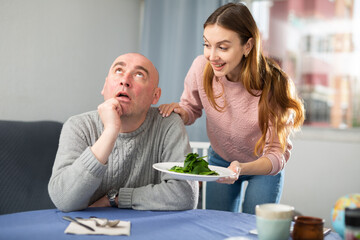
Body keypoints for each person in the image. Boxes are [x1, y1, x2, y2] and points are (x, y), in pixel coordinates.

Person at [158, 3, 304, 214]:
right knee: (218, 223)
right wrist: (182, 111)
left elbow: (275, 154)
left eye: (223, 47)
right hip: (219, 160)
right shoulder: (201, 68)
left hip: (263, 167)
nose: (212, 55)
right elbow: (191, 108)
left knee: (254, 225)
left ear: (247, 46)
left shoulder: (274, 85)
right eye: (207, 45)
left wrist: (241, 168)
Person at [48, 53, 198, 212]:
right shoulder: (78, 126)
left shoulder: (168, 124)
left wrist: (115, 200)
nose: (125, 81)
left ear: (155, 96)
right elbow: (63, 199)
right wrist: (110, 131)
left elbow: (185, 195)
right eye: (119, 71)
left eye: (139, 75)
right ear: (105, 86)